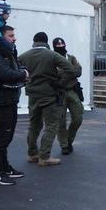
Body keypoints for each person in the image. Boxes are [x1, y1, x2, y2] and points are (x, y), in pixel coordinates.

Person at [18, 32, 75, 166]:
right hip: (49, 94)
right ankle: (44, 156)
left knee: (34, 125)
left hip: (32, 94)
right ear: (46, 42)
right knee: (51, 125)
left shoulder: (24, 56)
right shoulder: (52, 55)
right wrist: (60, 83)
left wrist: (25, 79)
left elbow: (13, 67)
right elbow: (70, 69)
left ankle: (32, 154)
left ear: (34, 41)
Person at [0, 25, 29, 185]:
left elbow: (15, 70)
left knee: (6, 136)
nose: (14, 38)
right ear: (0, 38)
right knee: (0, 138)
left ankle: (5, 168)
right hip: (0, 102)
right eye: (10, 36)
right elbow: (8, 75)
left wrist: (22, 72)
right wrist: (24, 74)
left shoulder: (6, 54)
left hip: (8, 101)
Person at [52, 37, 84, 155]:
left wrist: (64, 73)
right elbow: (53, 74)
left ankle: (69, 140)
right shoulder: (52, 59)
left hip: (72, 91)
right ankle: (64, 145)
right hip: (59, 92)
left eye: (62, 44)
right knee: (61, 121)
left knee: (78, 118)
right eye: (58, 45)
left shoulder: (71, 58)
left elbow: (79, 72)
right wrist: (70, 72)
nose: (61, 46)